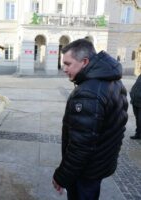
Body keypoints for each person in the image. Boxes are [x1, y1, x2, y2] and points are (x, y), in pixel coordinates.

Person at [52, 39, 128, 200]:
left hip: (86, 170)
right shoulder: (112, 80)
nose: (64, 69)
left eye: (68, 64)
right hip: (99, 164)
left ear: (85, 62)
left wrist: (62, 176)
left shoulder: (89, 93)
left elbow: (81, 146)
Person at [129, 74, 141, 139]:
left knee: (140, 120)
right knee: (137, 119)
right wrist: (131, 93)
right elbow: (136, 86)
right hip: (135, 101)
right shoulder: (140, 76)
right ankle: (138, 134)